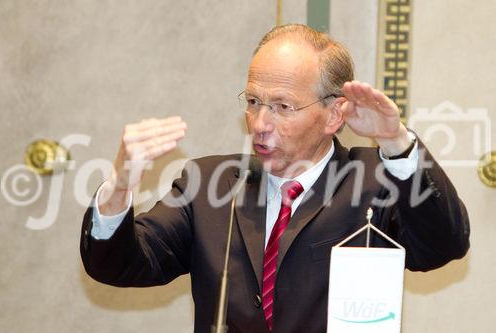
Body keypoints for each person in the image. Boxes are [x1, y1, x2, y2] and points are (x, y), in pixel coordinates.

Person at [80, 24, 470, 333]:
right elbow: (120, 264)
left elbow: (442, 246)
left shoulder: (377, 180)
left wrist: (397, 143)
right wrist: (119, 184)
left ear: (334, 115)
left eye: (282, 106)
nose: (260, 124)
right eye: (253, 102)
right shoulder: (210, 182)